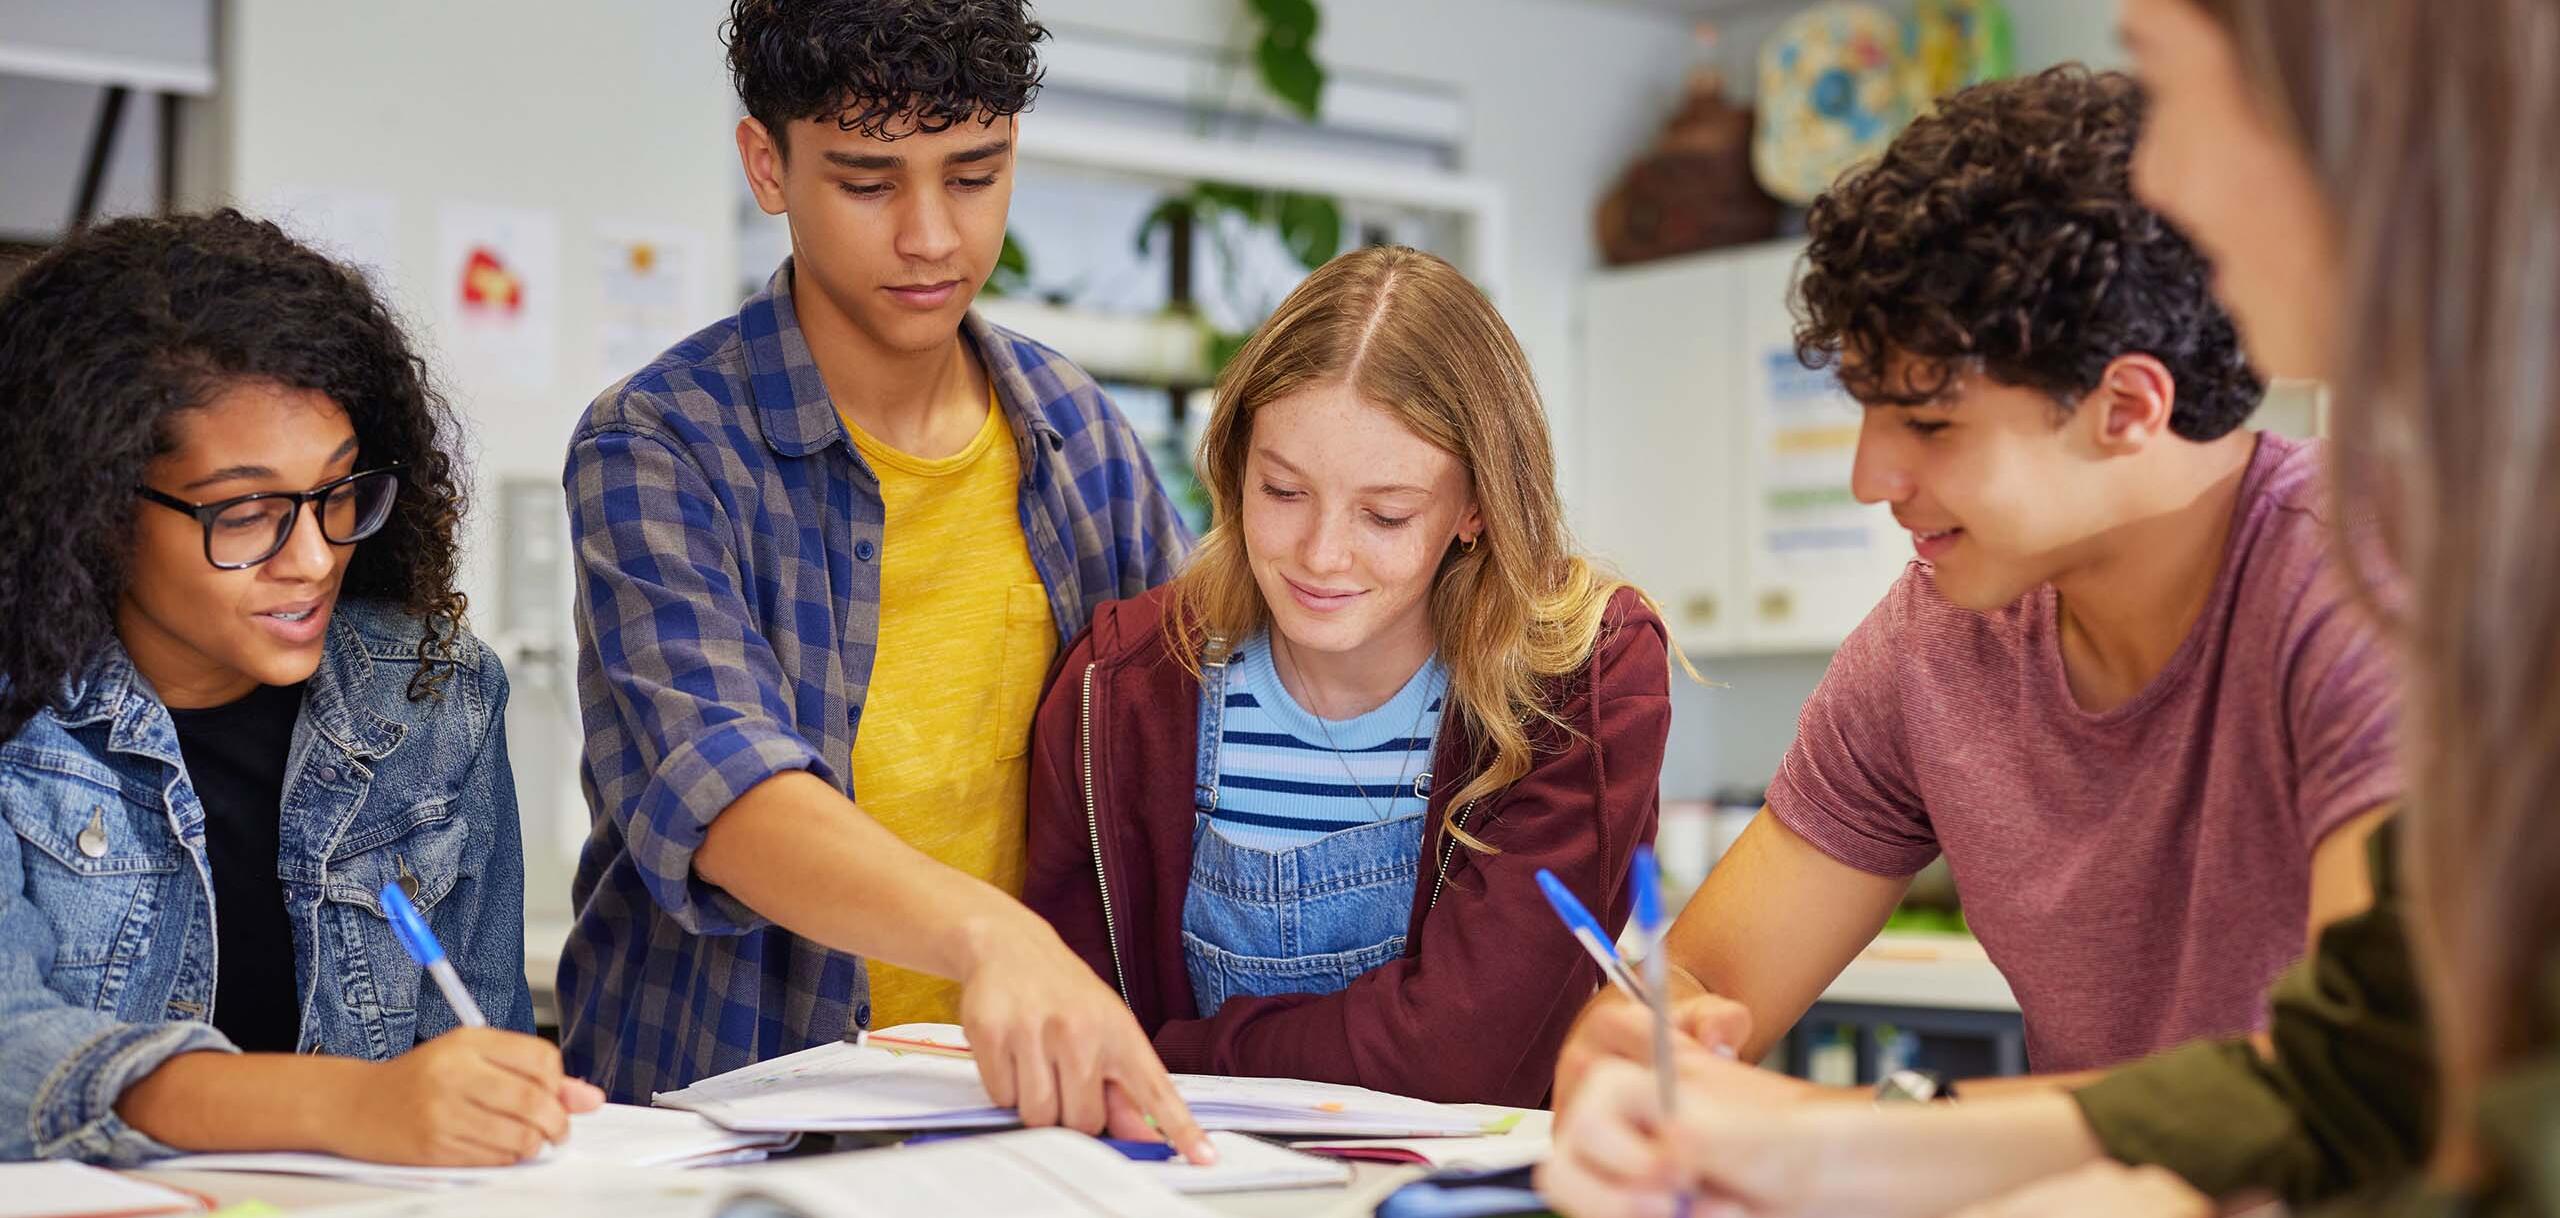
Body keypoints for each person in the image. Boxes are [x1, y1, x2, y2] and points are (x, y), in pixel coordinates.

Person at [1543, 0, 2560, 1213]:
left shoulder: (2367, 584)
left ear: (2126, 409)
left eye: (1927, 422)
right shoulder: (1936, 634)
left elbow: (2356, 1095)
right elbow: (1699, 979)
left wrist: (1820, 1139)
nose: (1871, 479)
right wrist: (1634, 1043)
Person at [553, 0, 1208, 1156]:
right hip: (728, 1127)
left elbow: (1200, 738)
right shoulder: (658, 445)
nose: (931, 238)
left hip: (1015, 1124)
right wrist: (993, 938)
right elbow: (730, 801)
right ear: (769, 164)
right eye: (867, 182)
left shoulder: (1080, 438)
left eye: (974, 175)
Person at [0, 210, 600, 1167]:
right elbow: (11, 1058)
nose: (315, 557)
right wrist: (343, 1105)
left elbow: (473, 1051)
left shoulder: (431, 699)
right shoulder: (22, 726)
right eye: (246, 513)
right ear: (93, 509)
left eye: (337, 492)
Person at [1022, 246, 1674, 1106]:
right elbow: (1071, 1027)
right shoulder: (1121, 687)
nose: (1322, 557)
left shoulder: (1578, 678)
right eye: (1283, 491)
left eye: (1386, 513)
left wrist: (1167, 1058)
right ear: (1233, 468)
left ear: (1477, 507)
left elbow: (1457, 1052)